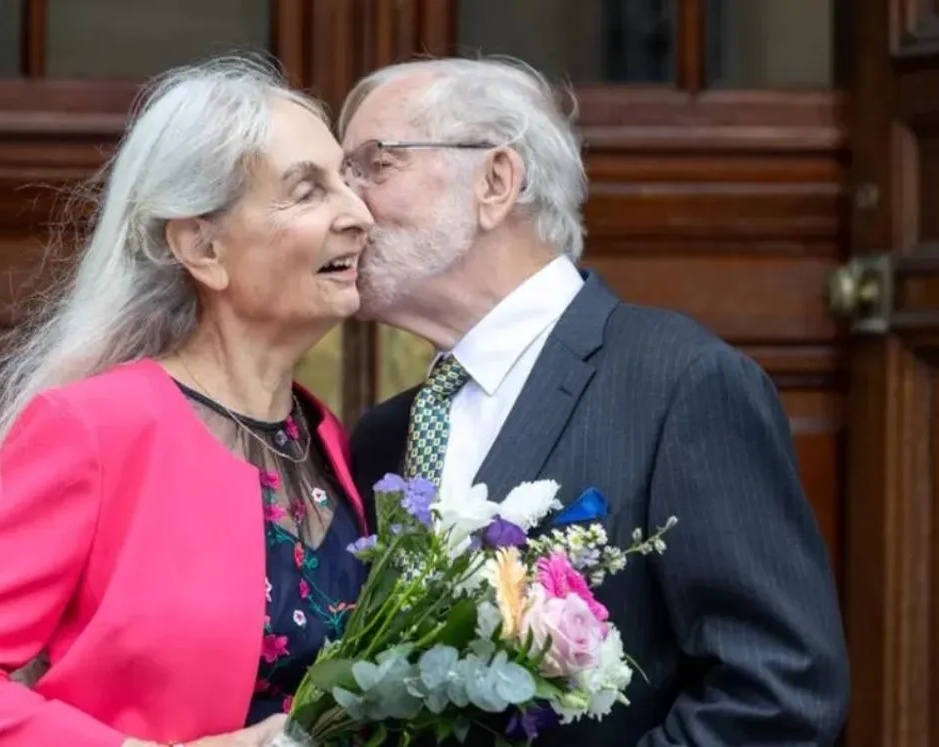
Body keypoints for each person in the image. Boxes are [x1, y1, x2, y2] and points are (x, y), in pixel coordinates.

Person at [340, 56, 850, 747]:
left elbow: (780, 694)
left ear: (496, 180)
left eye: (373, 164)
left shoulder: (681, 384)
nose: (345, 205)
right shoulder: (384, 436)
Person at [0, 56, 374, 747]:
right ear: (202, 246)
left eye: (346, 179)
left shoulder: (325, 439)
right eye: (308, 191)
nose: (359, 213)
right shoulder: (95, 429)